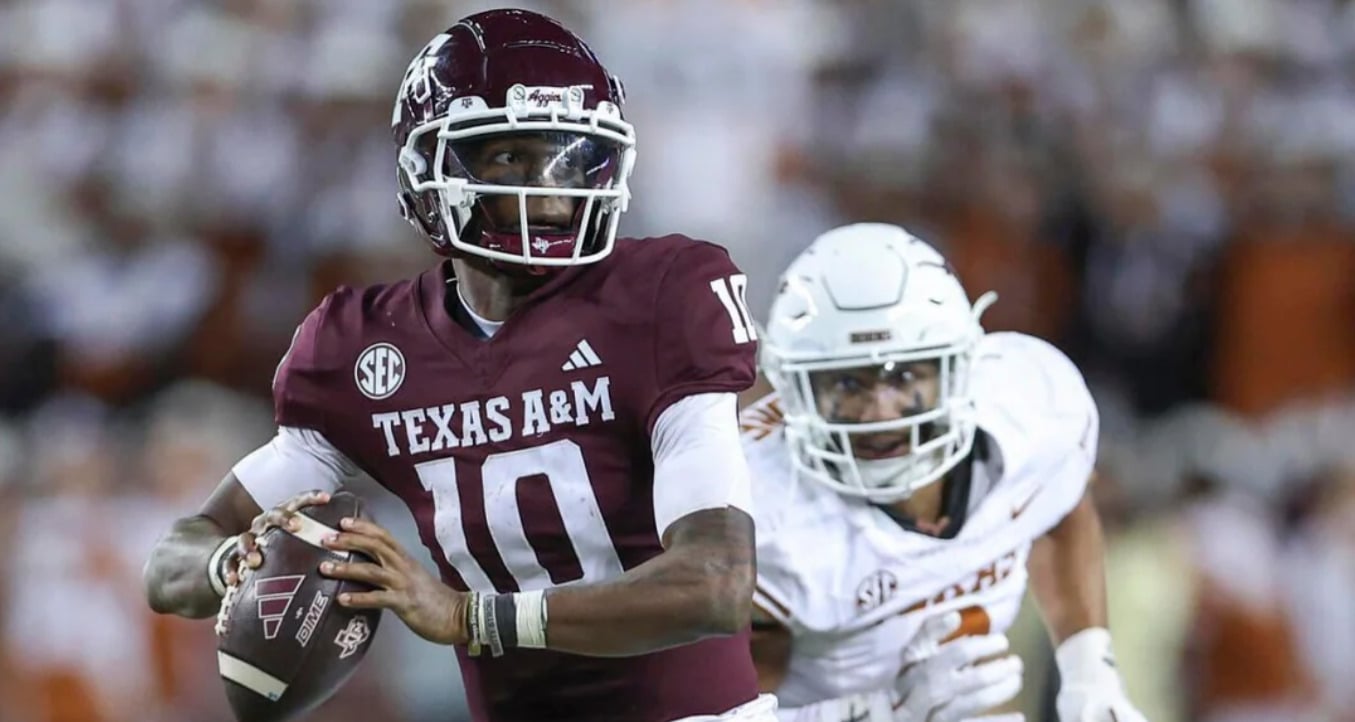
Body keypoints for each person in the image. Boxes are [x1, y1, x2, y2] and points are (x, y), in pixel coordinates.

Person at [142, 9, 776, 722]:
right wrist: (239, 565)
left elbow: (716, 583)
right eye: (511, 156)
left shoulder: (661, 298)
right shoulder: (362, 348)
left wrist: (469, 617)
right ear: (429, 167)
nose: (552, 189)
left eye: (571, 157)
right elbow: (172, 561)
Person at [739, 223, 1147, 722]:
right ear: (792, 390)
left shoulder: (1029, 413)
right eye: (846, 383)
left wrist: (1089, 670)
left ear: (960, 367)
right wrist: (879, 714)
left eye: (905, 376)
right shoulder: (765, 510)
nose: (880, 413)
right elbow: (718, 713)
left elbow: (1059, 508)